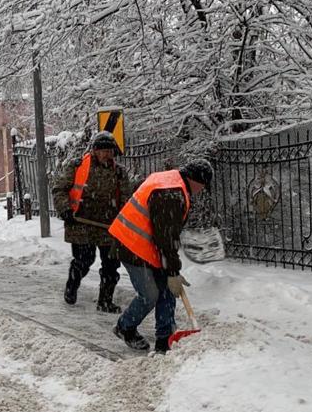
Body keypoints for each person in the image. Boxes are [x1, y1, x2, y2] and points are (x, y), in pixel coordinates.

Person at [109, 158, 214, 353]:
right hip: (131, 244)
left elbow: (166, 234)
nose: (201, 191)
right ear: (196, 180)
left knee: (167, 289)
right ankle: (125, 327)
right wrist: (172, 270)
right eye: (202, 186)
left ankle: (164, 339)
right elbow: (166, 237)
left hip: (147, 245)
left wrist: (171, 271)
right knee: (150, 294)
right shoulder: (172, 193)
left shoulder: (171, 180)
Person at [52, 131, 132, 313]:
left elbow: (126, 199)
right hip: (80, 223)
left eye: (110, 150)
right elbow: (59, 189)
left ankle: (105, 301)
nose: (107, 154)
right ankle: (72, 285)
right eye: (102, 150)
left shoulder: (119, 172)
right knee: (84, 260)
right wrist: (65, 209)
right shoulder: (78, 166)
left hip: (108, 227)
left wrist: (124, 220)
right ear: (94, 151)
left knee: (111, 265)